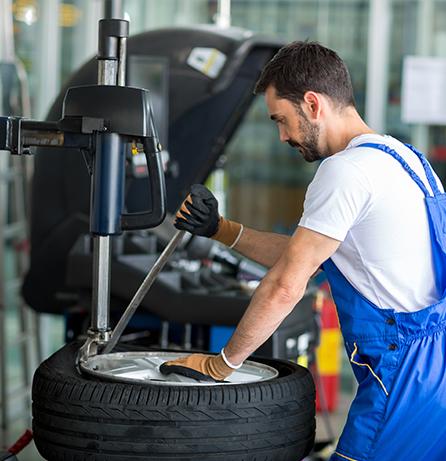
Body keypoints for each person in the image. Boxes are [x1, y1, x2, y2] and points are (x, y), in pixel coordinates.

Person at [161, 41, 446, 461]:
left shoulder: (344, 171)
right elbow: (309, 253)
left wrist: (222, 365)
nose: (282, 136)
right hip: (436, 369)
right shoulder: (407, 159)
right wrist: (220, 230)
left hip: (401, 380)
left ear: (312, 104)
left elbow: (287, 284)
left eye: (282, 120)